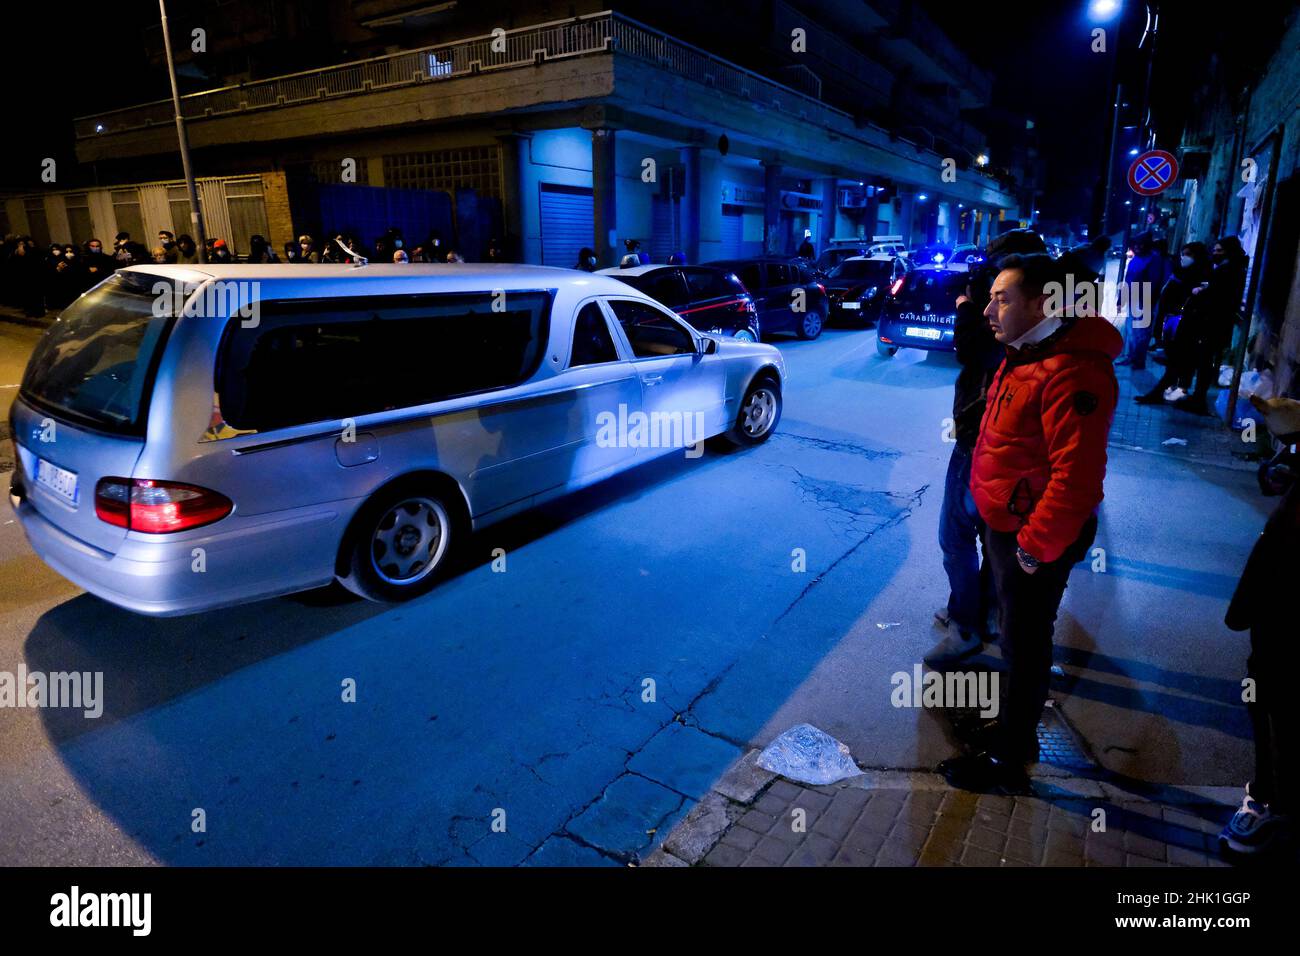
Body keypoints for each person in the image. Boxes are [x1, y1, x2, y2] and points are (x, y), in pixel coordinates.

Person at [938, 253, 1122, 792]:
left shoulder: (1074, 369)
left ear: (1042, 302)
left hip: (1031, 537)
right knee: (1017, 640)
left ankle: (1010, 757)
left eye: (1002, 298)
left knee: (1025, 643)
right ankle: (1012, 733)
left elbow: (1077, 480)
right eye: (990, 297)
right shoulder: (1025, 353)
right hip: (1008, 526)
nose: (988, 309)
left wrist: (1032, 548)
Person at [926, 229, 1048, 667]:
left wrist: (965, 307)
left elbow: (973, 349)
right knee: (992, 538)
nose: (994, 306)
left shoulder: (1014, 316)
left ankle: (965, 625)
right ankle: (987, 613)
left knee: (956, 535)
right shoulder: (1051, 315)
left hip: (984, 442)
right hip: (1003, 445)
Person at [1221, 394, 1300, 857]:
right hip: (1279, 587)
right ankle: (1271, 796)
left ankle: (1274, 803)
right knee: (1265, 691)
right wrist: (1286, 453)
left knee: (1275, 696)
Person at [1172, 235, 1248, 415]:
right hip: (1218, 322)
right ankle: (1198, 397)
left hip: (1214, 322)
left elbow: (1218, 295)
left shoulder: (1228, 270)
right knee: (1205, 359)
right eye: (1214, 250)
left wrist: (1202, 291)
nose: (1216, 253)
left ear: (1229, 251)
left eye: (1219, 251)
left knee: (1205, 360)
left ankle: (1198, 400)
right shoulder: (1232, 268)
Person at [1134, 242, 1212, 405]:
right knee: (1175, 363)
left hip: (1183, 325)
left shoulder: (1199, 275)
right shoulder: (1181, 272)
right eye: (1183, 253)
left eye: (1188, 254)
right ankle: (1164, 392)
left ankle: (1158, 393)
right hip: (1172, 323)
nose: (1184, 257)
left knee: (1176, 363)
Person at [1115, 233, 1166, 371]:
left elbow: (1154, 282)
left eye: (1141, 244)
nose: (1137, 247)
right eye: (1136, 244)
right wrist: (1121, 299)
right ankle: (1131, 357)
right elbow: (1127, 279)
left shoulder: (1154, 259)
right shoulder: (1136, 259)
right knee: (1131, 331)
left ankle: (1138, 361)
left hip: (1144, 301)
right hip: (1133, 299)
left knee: (1141, 333)